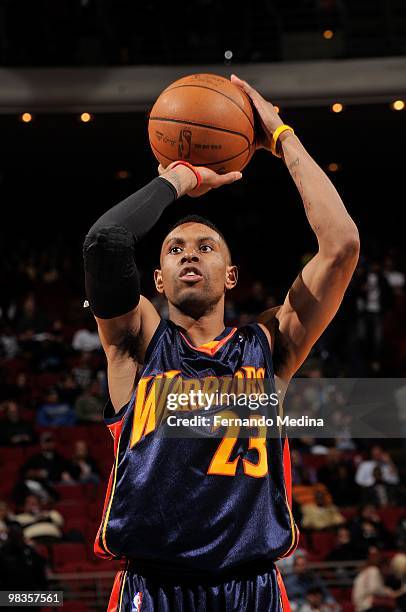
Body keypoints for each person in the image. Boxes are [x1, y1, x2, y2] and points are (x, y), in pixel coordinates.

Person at [83, 74, 359, 611]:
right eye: (175, 248)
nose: (190, 253)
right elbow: (106, 243)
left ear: (230, 275)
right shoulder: (137, 343)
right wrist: (180, 179)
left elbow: (342, 243)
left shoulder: (270, 345)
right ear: (157, 280)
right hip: (153, 587)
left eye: (206, 246)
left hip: (250, 586)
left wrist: (280, 135)